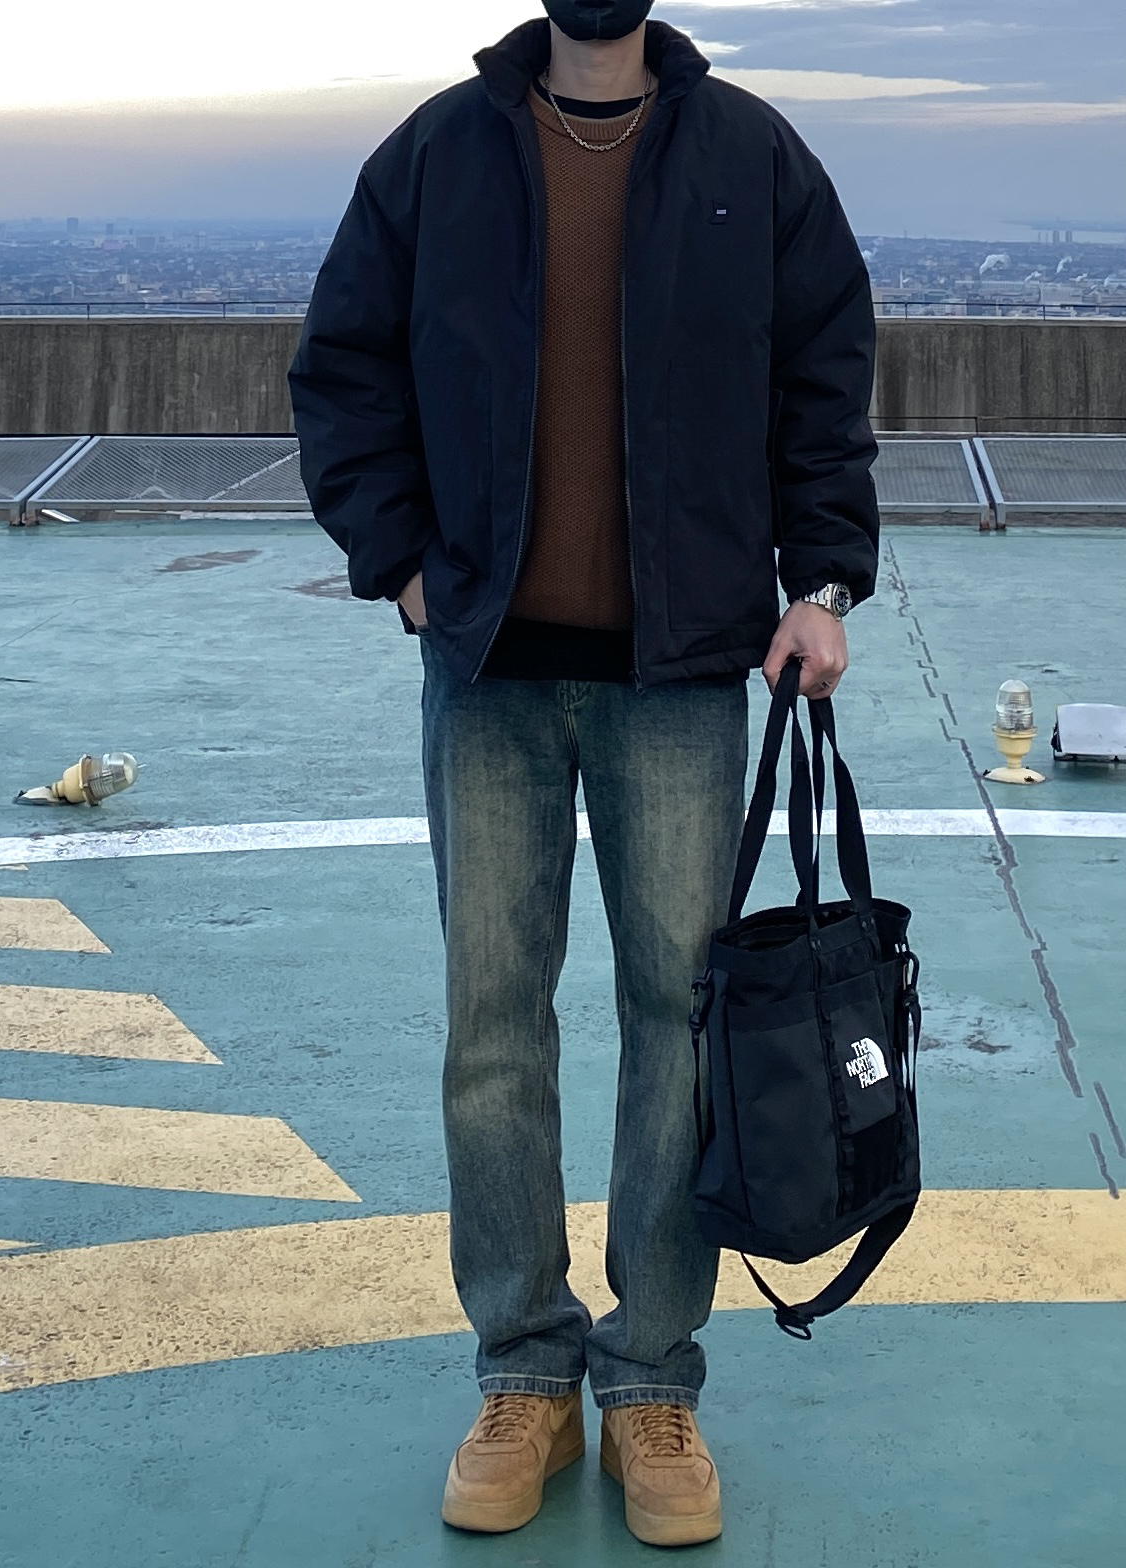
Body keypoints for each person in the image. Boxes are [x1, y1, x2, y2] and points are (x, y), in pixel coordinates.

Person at [289, 0, 878, 1547]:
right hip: (485, 668)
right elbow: (342, 365)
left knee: (678, 1031)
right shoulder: (437, 154)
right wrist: (402, 562)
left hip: (681, 678)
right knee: (493, 1025)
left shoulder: (752, 156)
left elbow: (824, 374)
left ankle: (653, 1381)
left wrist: (821, 581)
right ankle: (524, 1372)